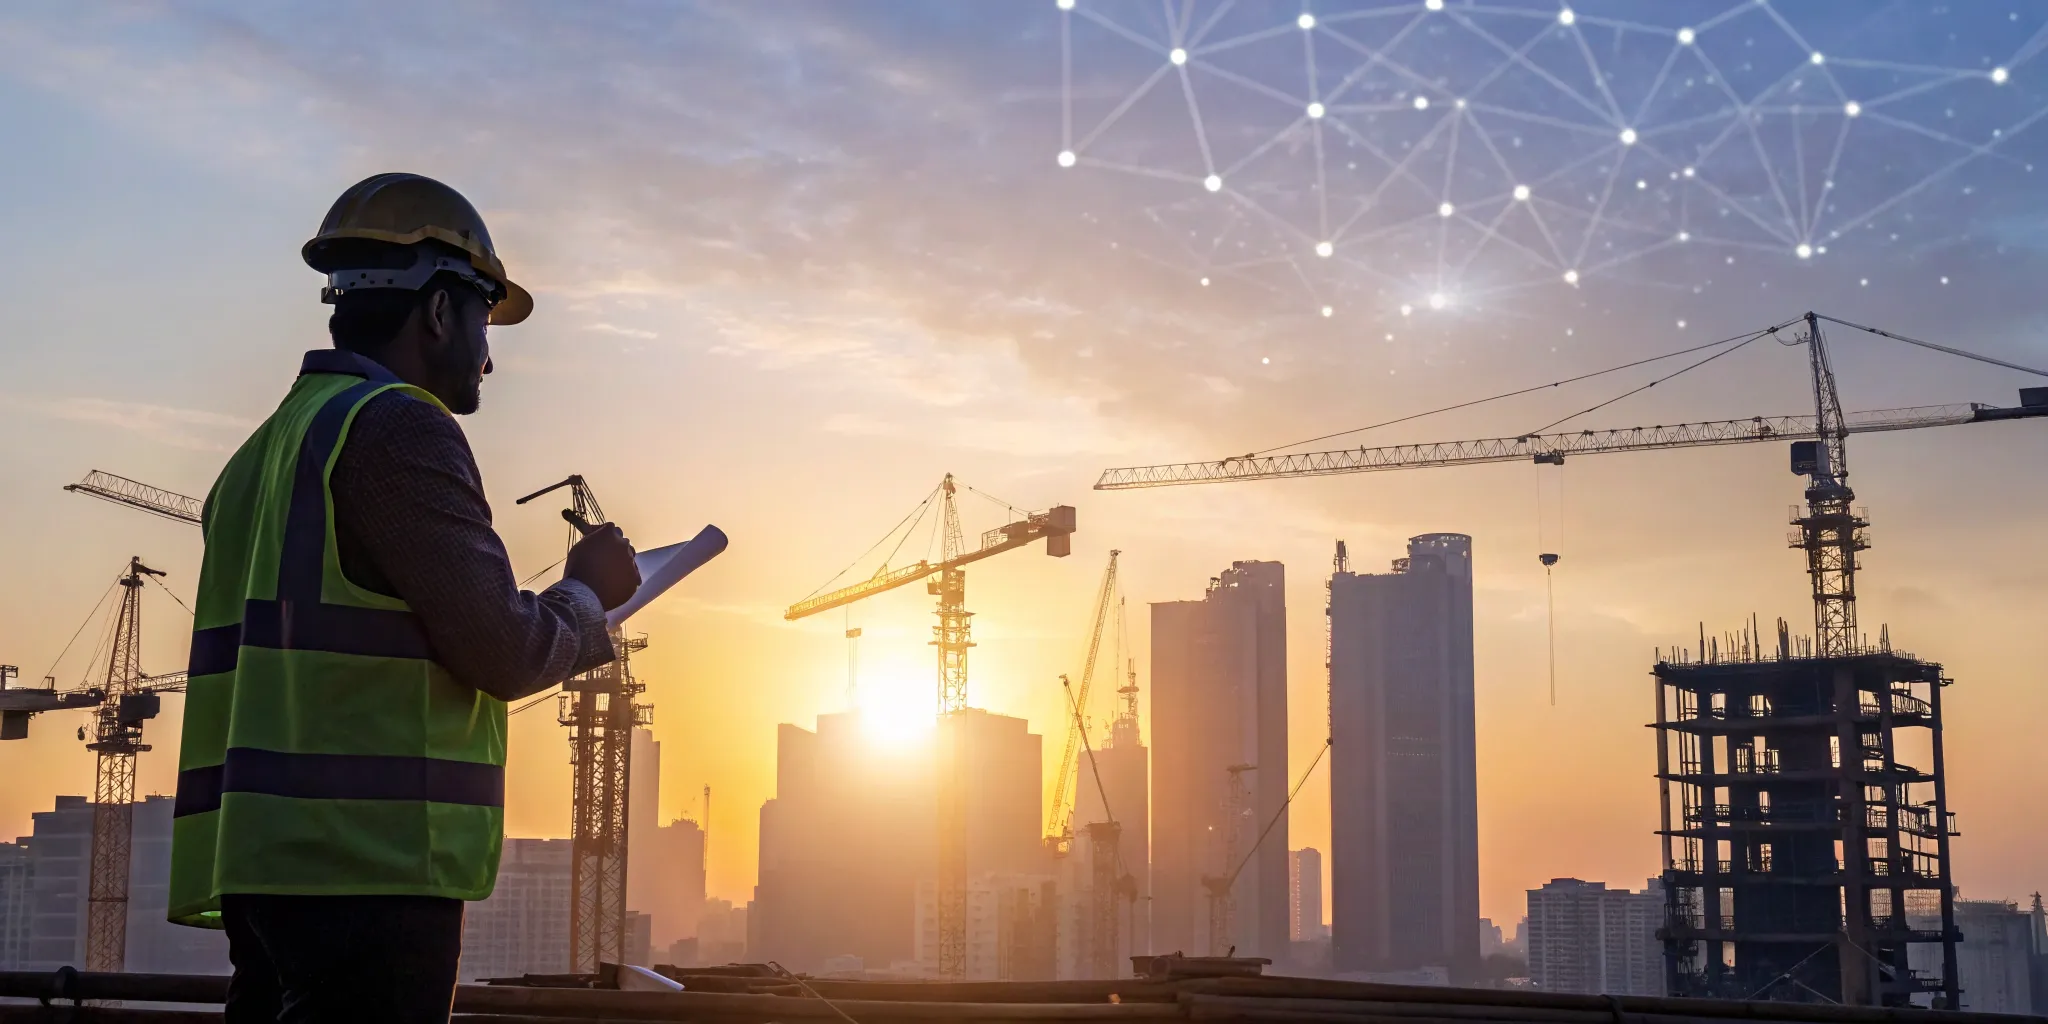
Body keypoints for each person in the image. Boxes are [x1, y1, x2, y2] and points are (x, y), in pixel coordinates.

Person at [165, 173, 642, 1023]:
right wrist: (585, 597)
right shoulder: (398, 427)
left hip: (268, 867)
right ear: (436, 314)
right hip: (369, 871)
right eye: (484, 323)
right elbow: (501, 646)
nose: (488, 358)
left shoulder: (262, 455)